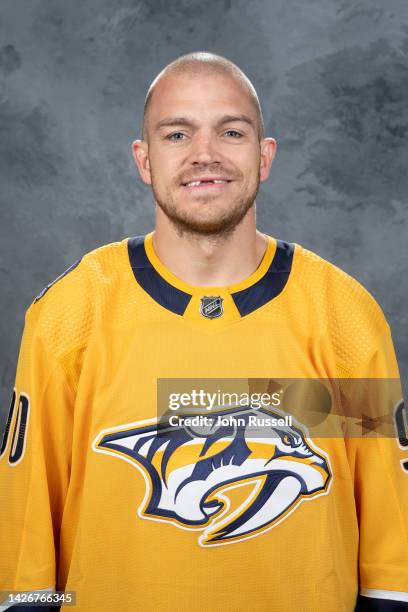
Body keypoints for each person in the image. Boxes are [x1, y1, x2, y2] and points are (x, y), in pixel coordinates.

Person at [0, 51, 407, 612]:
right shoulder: (72, 315)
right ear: (143, 159)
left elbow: (391, 564)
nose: (204, 154)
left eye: (231, 131)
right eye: (176, 134)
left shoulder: (344, 318)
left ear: (265, 156)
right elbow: (25, 555)